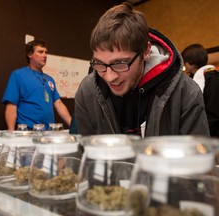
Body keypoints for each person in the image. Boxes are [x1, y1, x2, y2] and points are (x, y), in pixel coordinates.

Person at [74, 2, 210, 137]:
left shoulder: (186, 93)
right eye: (100, 63)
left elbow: (197, 156)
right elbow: (86, 153)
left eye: (120, 63)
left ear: (146, 51)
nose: (110, 77)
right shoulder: (87, 92)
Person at [2, 39, 71, 130]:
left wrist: (73, 125)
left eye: (46, 52)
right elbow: (11, 105)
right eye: (40, 52)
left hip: (49, 132)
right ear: (30, 54)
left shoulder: (50, 79)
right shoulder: (18, 75)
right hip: (28, 132)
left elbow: (59, 104)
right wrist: (11, 132)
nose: (45, 55)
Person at [182, 44, 219, 137]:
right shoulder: (191, 79)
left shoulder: (212, 78)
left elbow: (213, 111)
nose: (184, 64)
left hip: (212, 134)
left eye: (185, 61)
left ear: (191, 62)